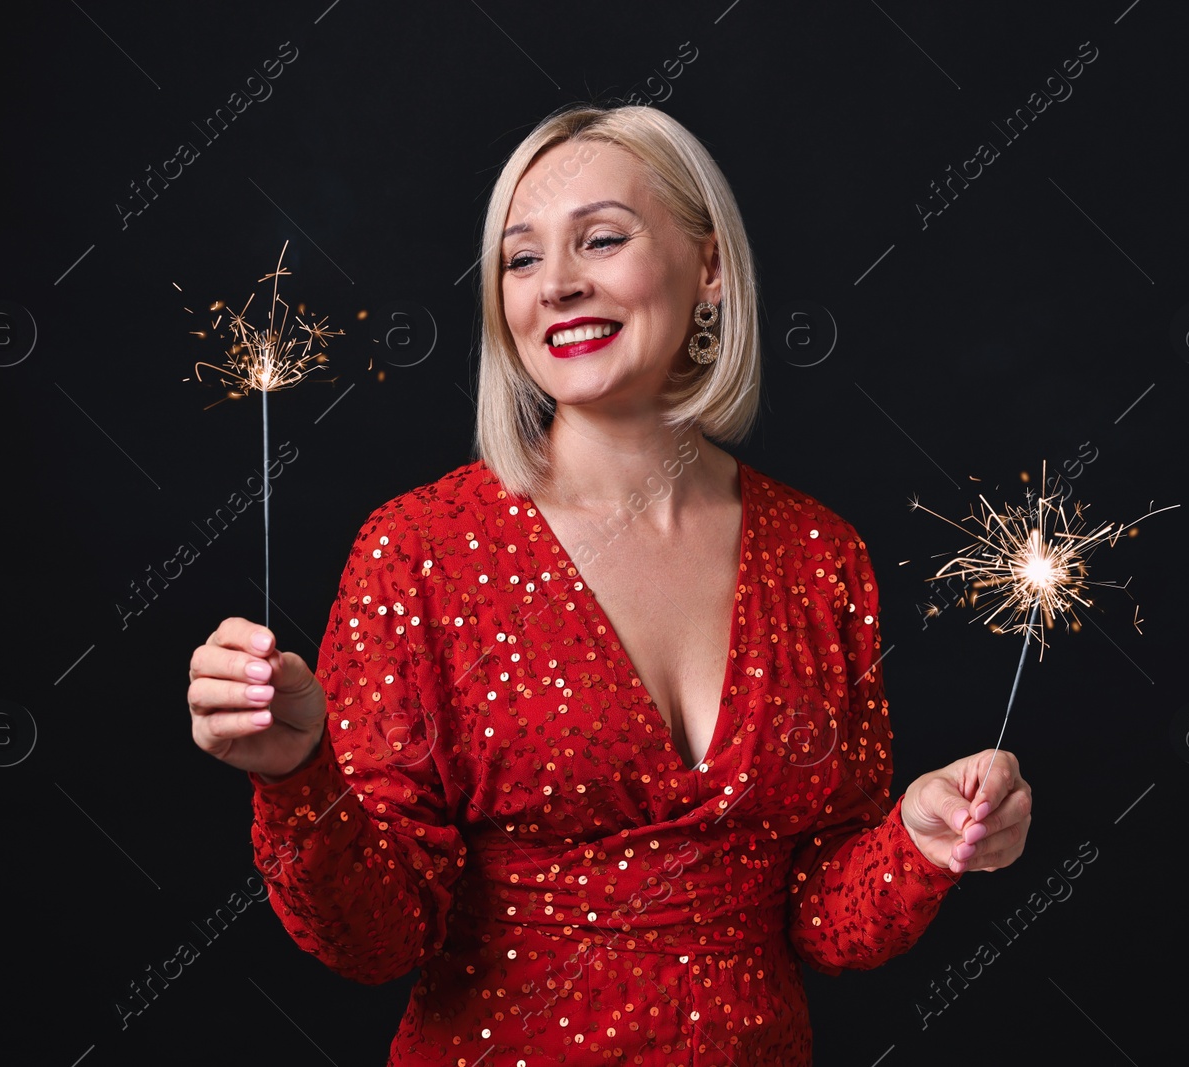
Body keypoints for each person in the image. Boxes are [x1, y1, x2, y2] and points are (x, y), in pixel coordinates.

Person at [187, 103, 1031, 1065]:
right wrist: (298, 776)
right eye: (521, 257)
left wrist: (920, 839)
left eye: (601, 238)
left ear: (709, 268)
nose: (557, 285)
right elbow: (377, 941)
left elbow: (823, 924)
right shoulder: (417, 550)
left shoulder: (820, 553)